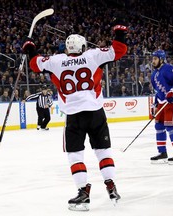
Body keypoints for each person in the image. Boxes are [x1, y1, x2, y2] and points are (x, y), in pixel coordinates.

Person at [22, 24, 128, 211]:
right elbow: (118, 50)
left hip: (73, 115)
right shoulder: (93, 56)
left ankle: (83, 192)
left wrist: (30, 48)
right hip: (96, 112)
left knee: (75, 155)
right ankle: (111, 186)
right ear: (83, 47)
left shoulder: (56, 61)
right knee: (103, 151)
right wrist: (120, 33)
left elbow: (34, 64)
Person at [150, 50, 173, 165]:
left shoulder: (168, 68)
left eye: (155, 59)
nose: (153, 61)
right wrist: (155, 102)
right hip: (162, 102)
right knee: (159, 126)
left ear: (161, 59)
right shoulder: (154, 74)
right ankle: (162, 153)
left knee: (171, 127)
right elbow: (158, 90)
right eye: (153, 59)